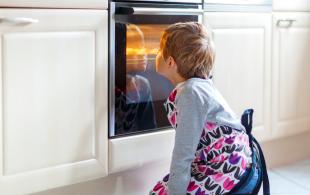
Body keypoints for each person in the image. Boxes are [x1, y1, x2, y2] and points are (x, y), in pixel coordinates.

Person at [149, 22, 256, 195]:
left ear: (170, 62)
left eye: (159, 50)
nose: (155, 53)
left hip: (227, 167)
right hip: (229, 158)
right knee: (162, 188)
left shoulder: (190, 94)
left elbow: (183, 154)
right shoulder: (199, 85)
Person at [114, 23, 156, 135]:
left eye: (143, 47)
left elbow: (149, 127)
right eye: (135, 48)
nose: (144, 53)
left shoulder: (142, 85)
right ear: (116, 55)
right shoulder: (108, 86)